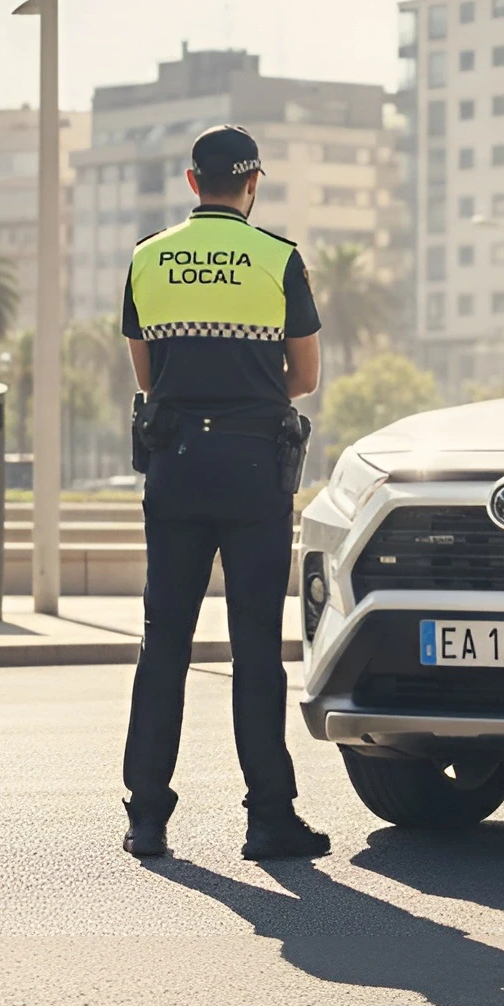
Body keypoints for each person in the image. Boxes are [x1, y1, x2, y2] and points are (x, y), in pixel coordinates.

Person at [119, 124, 329, 861]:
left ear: (190, 182)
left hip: (175, 466)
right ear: (252, 184)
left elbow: (148, 377)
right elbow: (303, 377)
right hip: (252, 471)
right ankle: (269, 819)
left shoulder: (148, 257)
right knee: (254, 652)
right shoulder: (278, 259)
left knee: (164, 644)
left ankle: (147, 817)